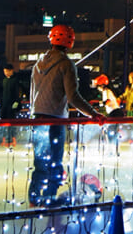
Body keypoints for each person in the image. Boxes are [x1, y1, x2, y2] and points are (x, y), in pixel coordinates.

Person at [28, 24, 105, 208]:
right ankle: (49, 198)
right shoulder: (66, 64)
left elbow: (33, 94)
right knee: (55, 160)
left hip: (37, 117)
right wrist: (93, 114)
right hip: (55, 118)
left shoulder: (38, 64)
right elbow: (73, 97)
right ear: (70, 41)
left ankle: (33, 197)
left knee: (40, 160)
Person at [0, 63, 21, 146]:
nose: (6, 73)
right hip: (4, 105)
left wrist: (16, 102)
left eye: (7, 71)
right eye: (4, 71)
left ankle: (12, 139)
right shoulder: (4, 80)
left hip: (11, 105)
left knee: (11, 123)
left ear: (11, 71)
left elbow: (17, 92)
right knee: (3, 122)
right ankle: (5, 139)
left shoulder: (15, 80)